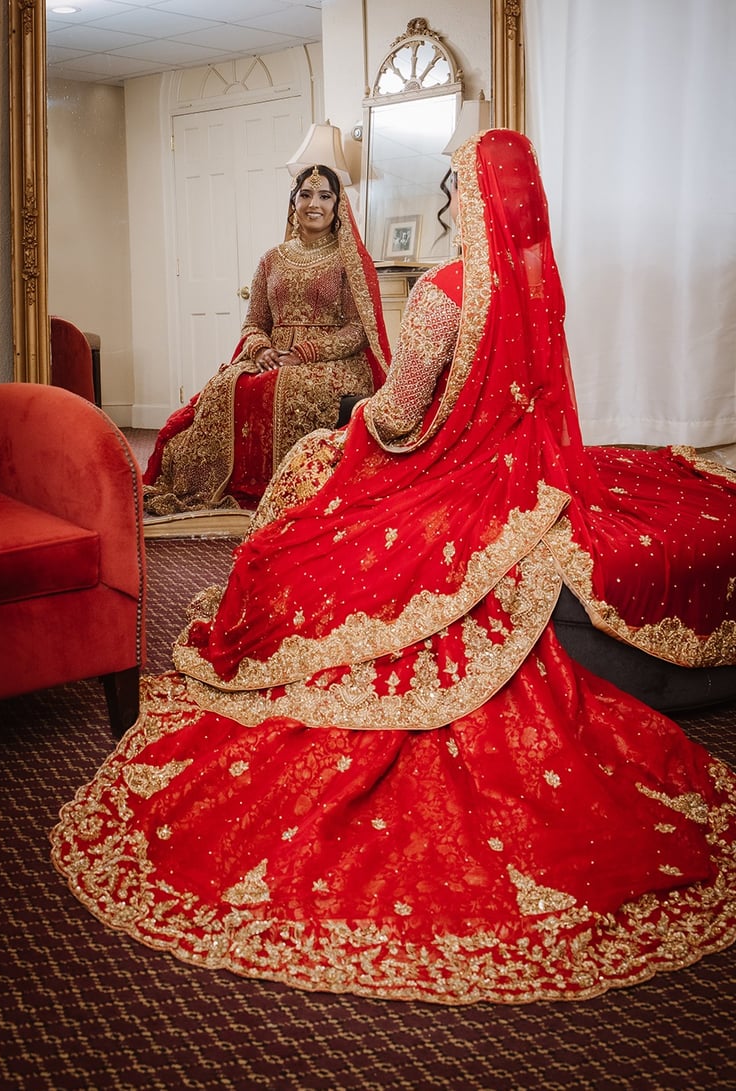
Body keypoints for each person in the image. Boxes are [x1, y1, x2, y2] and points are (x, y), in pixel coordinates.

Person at [51, 130, 736, 1006]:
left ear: (473, 200)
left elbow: (400, 412)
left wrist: (348, 436)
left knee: (302, 512)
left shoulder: (446, 293)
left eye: (458, 180)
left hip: (457, 479)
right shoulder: (539, 281)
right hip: (536, 476)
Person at [143, 164, 389, 516]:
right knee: (227, 386)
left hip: (332, 361)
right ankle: (221, 485)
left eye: (324, 196)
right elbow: (254, 323)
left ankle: (287, 489)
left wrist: (305, 352)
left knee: (289, 388)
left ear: (338, 206)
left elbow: (360, 330)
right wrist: (260, 349)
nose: (314, 204)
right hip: (272, 355)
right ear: (293, 202)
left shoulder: (349, 261)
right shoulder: (271, 260)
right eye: (305, 195)